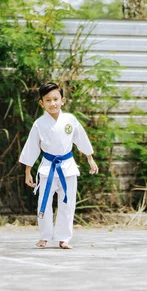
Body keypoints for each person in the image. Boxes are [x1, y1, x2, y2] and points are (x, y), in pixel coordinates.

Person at [19, 82, 98, 249]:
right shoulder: (39, 124)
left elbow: (81, 139)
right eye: (48, 100)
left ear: (63, 100)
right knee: (44, 203)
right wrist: (28, 171)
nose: (52, 103)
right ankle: (44, 236)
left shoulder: (70, 120)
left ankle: (64, 238)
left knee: (67, 204)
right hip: (47, 167)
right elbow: (32, 148)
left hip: (68, 167)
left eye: (56, 99)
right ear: (42, 103)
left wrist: (90, 158)